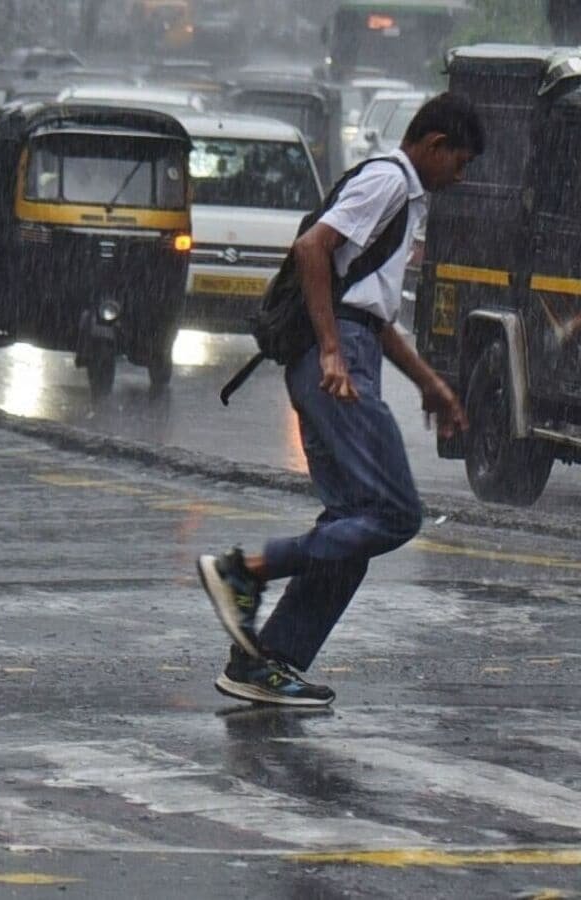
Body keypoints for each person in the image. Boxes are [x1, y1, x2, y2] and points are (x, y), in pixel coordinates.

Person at [197, 94, 481, 707]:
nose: (462, 176)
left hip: (351, 350)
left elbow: (373, 312)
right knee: (395, 514)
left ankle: (266, 663)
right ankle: (244, 569)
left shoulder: (401, 196)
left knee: (352, 524)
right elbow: (312, 249)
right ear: (433, 146)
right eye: (460, 161)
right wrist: (330, 350)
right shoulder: (389, 181)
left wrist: (428, 382)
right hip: (339, 361)